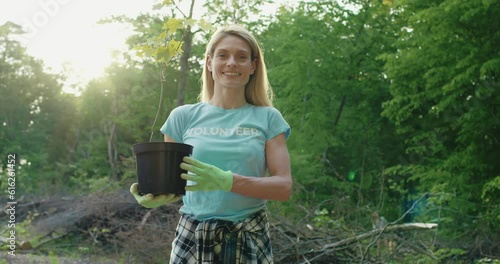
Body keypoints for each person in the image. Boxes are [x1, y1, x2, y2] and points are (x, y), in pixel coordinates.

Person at [130, 24, 292, 263]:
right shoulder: (182, 117)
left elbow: (283, 186)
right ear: (209, 63)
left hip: (247, 235)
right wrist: (157, 194)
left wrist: (229, 181)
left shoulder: (268, 118)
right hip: (192, 236)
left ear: (253, 66)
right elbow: (179, 186)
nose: (232, 63)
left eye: (242, 57)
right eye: (223, 55)